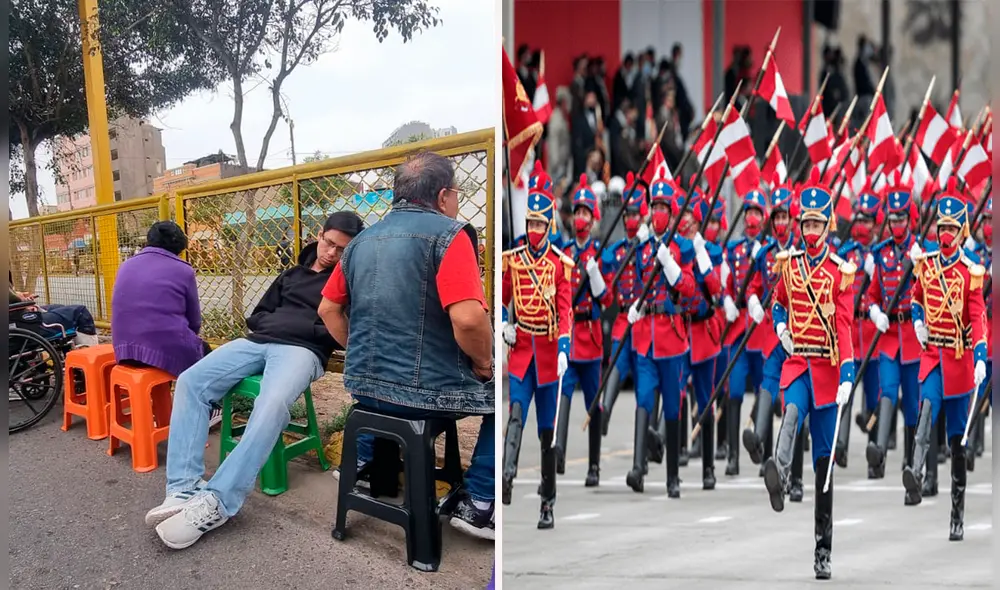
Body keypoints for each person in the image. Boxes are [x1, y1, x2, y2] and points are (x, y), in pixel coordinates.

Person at [144, 211, 362, 550]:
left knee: (272, 403)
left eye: (342, 250)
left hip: (302, 351)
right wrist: (270, 325)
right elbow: (257, 314)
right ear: (319, 236)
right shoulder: (291, 274)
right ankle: (183, 488)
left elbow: (341, 334)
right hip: (257, 342)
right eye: (329, 243)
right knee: (191, 381)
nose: (332, 253)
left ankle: (218, 500)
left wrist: (303, 329)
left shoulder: (348, 283)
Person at [318, 152, 495, 540]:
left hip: (365, 388)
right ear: (445, 195)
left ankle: (363, 464)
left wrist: (360, 354)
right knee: (512, 391)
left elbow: (328, 308)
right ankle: (480, 503)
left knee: (379, 395)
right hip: (424, 394)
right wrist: (483, 365)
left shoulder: (360, 242)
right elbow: (468, 319)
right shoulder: (451, 234)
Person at [761, 175, 857, 579]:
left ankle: (822, 549)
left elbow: (848, 325)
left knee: (823, 467)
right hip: (799, 362)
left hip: (830, 370)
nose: (811, 231)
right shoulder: (789, 265)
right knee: (792, 410)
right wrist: (781, 329)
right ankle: (779, 472)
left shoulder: (840, 273)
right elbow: (778, 305)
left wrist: (849, 372)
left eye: (818, 224)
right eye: (806, 224)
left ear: (827, 225)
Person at [903, 185, 988, 541]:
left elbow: (978, 316)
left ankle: (957, 512)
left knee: (957, 443)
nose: (946, 234)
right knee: (925, 410)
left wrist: (981, 357)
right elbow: (916, 298)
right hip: (932, 356)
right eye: (942, 227)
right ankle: (916, 474)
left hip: (960, 360)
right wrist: (919, 321)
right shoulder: (926, 266)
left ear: (962, 231)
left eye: (953, 228)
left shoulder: (971, 272)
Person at [501, 162, 572, 529]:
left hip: (546, 353)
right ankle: (507, 476)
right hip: (522, 349)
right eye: (530, 224)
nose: (533, 231)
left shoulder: (560, 266)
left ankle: (548, 503)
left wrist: (563, 348)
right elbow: (503, 297)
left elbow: (565, 310)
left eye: (539, 225)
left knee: (547, 433)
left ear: (549, 227)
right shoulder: (512, 261)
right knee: (515, 414)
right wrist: (503, 323)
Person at [627, 172, 696, 496]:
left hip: (670, 337)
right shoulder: (642, 248)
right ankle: (638, 468)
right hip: (645, 335)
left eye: (662, 207)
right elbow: (638, 285)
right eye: (653, 206)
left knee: (671, 406)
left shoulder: (681, 247)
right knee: (643, 400)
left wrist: (670, 265)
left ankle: (672, 477)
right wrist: (635, 308)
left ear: (671, 211)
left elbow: (689, 289)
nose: (657, 212)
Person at [864, 180, 923, 501]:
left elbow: (929, 292)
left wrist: (920, 267)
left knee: (912, 405)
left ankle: (910, 466)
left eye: (901, 218)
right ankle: (881, 448)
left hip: (912, 338)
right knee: (887, 390)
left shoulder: (918, 252)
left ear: (909, 220)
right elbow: (871, 295)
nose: (897, 224)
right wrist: (874, 313)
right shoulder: (882, 252)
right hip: (888, 336)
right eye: (893, 219)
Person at [744, 184, 802, 496]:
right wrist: (753, 302)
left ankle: (796, 479)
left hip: (800, 337)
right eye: (776, 217)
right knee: (767, 389)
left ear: (793, 219)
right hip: (773, 337)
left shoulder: (801, 253)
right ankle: (759, 444)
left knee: (795, 406)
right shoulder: (765, 254)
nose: (780, 223)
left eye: (785, 217)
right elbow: (753, 286)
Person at [553, 175, 609, 488]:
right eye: (577, 212)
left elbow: (607, 298)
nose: (580, 218)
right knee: (563, 392)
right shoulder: (564, 251)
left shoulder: (600, 252)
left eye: (586, 213)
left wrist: (595, 275)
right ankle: (558, 449)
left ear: (594, 217)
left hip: (591, 333)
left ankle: (594, 465)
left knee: (593, 401)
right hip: (570, 333)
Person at [111, 221, 209, 377]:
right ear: (180, 245)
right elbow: (195, 322)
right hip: (160, 351)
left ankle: (155, 399)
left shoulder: (125, 265)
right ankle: (205, 400)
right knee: (205, 353)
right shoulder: (184, 270)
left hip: (124, 350)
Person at [675, 192, 724, 490]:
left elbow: (716, 288)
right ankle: (676, 449)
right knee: (677, 394)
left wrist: (701, 255)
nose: (687, 227)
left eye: (692, 223)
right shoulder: (675, 250)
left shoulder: (712, 251)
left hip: (704, 332)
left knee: (705, 401)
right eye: (683, 222)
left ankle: (708, 467)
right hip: (680, 329)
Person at [598, 174, 649, 440]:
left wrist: (644, 244)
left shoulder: (647, 248)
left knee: (644, 377)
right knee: (616, 358)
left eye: (634, 215)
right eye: (627, 215)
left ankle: (646, 427)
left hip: (645, 319)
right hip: (623, 317)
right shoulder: (619, 251)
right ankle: (605, 410)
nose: (630, 220)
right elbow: (608, 288)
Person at [721, 191, 768, 476]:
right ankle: (732, 455)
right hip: (739, 328)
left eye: (756, 212)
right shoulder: (735, 250)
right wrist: (726, 300)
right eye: (748, 211)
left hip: (761, 329)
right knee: (735, 390)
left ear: (764, 218)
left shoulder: (769, 251)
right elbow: (727, 283)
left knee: (766, 391)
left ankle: (765, 454)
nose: (751, 217)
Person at [836, 187, 883, 472]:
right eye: (859, 219)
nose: (862, 225)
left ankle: (875, 457)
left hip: (873, 331)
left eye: (867, 220)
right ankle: (839, 445)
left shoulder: (880, 254)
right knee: (846, 390)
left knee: (875, 395)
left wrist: (874, 270)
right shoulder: (846, 253)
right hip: (852, 330)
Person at [9, 273, 99, 347]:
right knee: (80, 312)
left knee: (58, 307)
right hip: (18, 322)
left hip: (13, 316)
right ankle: (91, 357)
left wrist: (16, 295)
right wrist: (21, 301)